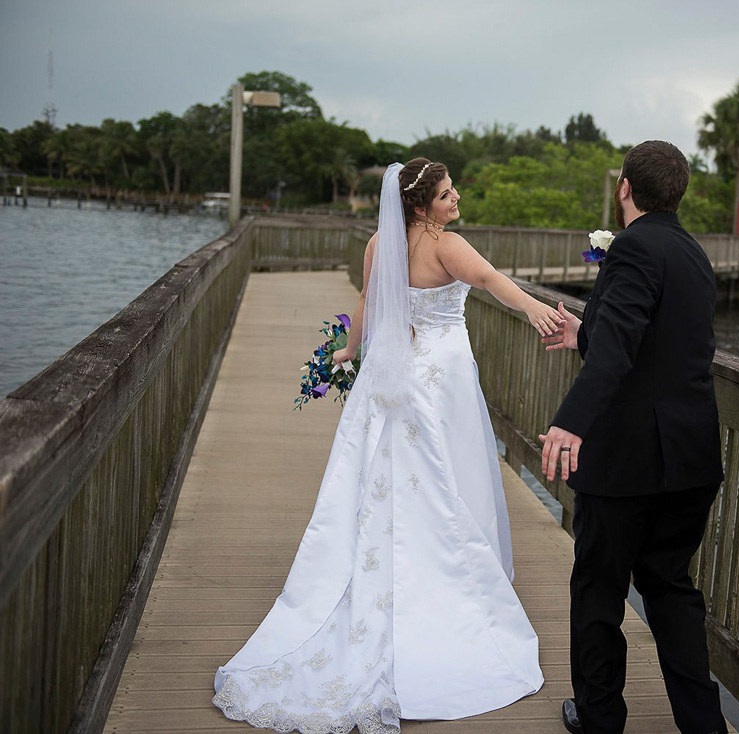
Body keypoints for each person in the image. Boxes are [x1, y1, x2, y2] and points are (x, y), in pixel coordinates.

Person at [213, 158, 557, 732]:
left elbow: (370, 303)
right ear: (422, 207)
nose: (455, 200)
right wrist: (537, 308)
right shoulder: (445, 244)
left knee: (377, 475)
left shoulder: (380, 242)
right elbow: (493, 282)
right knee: (451, 473)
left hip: (390, 377)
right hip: (439, 377)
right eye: (446, 195)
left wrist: (349, 351)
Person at [540, 141, 727, 734]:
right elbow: (651, 338)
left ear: (624, 188)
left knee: (599, 590)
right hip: (691, 459)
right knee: (671, 592)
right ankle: (705, 727)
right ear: (678, 192)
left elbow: (622, 348)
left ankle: (599, 720)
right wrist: (585, 332)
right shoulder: (693, 254)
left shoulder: (634, 249)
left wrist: (570, 421)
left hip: (627, 464)